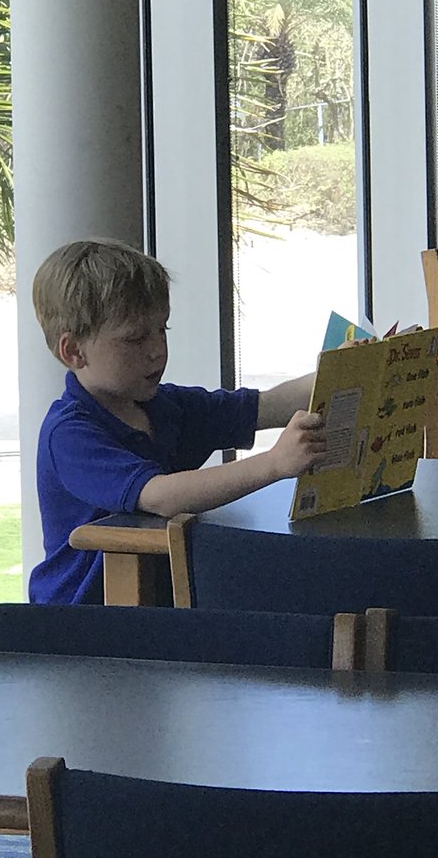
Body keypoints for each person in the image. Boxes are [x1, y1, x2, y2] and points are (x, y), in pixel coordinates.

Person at [29, 238, 327, 605]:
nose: (157, 349)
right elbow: (160, 496)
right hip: (79, 629)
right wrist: (273, 464)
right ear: (74, 351)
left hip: (156, 608)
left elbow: (266, 406)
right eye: (136, 338)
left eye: (162, 329)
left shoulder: (165, 405)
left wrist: (346, 368)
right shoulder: (70, 434)